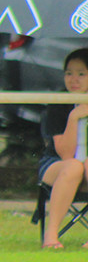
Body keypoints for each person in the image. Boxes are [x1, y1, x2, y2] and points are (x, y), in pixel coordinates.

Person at [38, 47, 88, 249]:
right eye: (69, 73)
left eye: (81, 74)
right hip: (58, 164)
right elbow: (65, 154)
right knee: (73, 166)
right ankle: (51, 236)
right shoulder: (59, 102)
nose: (73, 79)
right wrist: (74, 117)